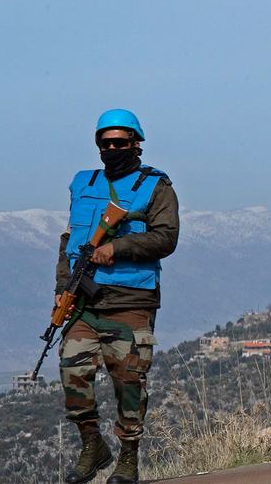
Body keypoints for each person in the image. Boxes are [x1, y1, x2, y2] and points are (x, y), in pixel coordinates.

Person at [57, 109, 179, 484]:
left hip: (131, 300)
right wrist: (62, 290)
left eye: (120, 143)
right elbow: (68, 241)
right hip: (84, 301)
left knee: (128, 382)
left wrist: (119, 247)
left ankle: (128, 456)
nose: (112, 149)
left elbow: (166, 238)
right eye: (105, 143)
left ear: (136, 144)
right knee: (72, 371)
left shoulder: (155, 187)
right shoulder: (83, 183)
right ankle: (92, 444)